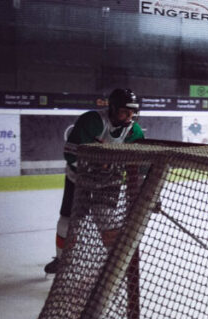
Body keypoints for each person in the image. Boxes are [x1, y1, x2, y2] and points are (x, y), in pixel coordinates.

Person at [45, 88, 144, 274]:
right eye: (124, 111)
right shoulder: (92, 121)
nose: (130, 116)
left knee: (108, 221)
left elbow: (140, 166)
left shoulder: (134, 132)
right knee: (67, 221)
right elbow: (71, 154)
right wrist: (98, 164)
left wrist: (148, 193)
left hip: (110, 182)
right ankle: (61, 259)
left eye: (132, 112)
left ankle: (113, 266)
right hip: (79, 179)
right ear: (113, 108)